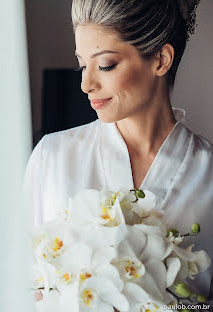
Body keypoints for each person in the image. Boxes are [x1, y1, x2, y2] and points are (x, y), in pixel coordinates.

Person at [25, 0, 213, 300]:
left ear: (161, 60)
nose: (86, 84)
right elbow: (24, 288)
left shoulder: (208, 175)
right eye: (82, 65)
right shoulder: (53, 157)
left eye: (105, 65)